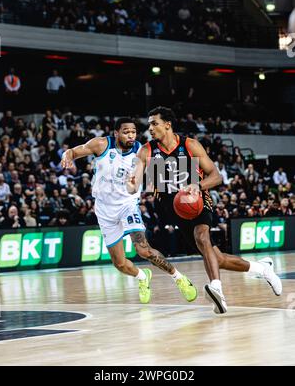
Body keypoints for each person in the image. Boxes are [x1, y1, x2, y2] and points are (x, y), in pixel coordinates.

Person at [127, 106, 282, 314]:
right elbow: (135, 178)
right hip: (175, 210)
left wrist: (197, 186)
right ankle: (263, 269)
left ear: (168, 124)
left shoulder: (190, 145)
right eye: (149, 124)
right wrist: (130, 183)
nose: (150, 128)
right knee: (217, 258)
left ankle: (217, 289)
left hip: (198, 199)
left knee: (202, 236)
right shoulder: (147, 150)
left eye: (154, 123)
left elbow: (216, 176)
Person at [61, 117, 197, 304]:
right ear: (116, 133)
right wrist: (67, 155)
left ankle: (179, 278)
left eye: (133, 132)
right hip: (103, 209)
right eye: (126, 132)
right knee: (120, 264)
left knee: (143, 250)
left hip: (127, 205)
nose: (131, 135)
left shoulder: (143, 151)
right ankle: (142, 277)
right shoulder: (101, 144)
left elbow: (165, 172)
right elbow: (74, 151)